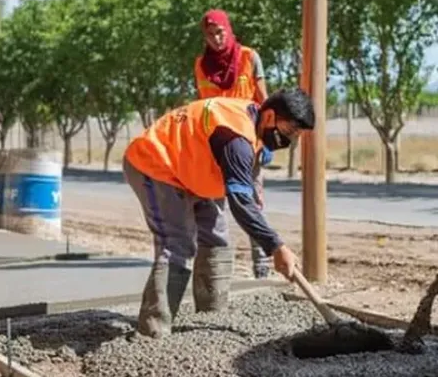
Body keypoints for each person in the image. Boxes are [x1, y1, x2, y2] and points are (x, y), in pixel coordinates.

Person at [123, 89, 315, 338]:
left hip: (194, 168)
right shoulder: (234, 138)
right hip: (156, 164)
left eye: (297, 136)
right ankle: (154, 330)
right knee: (178, 243)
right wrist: (276, 246)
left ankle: (211, 317)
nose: (289, 141)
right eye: (289, 132)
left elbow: (258, 159)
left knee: (217, 237)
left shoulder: (257, 122)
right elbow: (239, 203)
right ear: (269, 117)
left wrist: (254, 186)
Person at [194, 9, 272, 278]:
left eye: (219, 32)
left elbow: (264, 100)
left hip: (247, 142)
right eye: (210, 35)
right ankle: (218, 271)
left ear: (228, 29)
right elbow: (203, 106)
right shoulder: (201, 65)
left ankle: (262, 267)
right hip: (215, 145)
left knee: (252, 202)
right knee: (214, 207)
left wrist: (268, 137)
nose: (216, 39)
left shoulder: (250, 57)